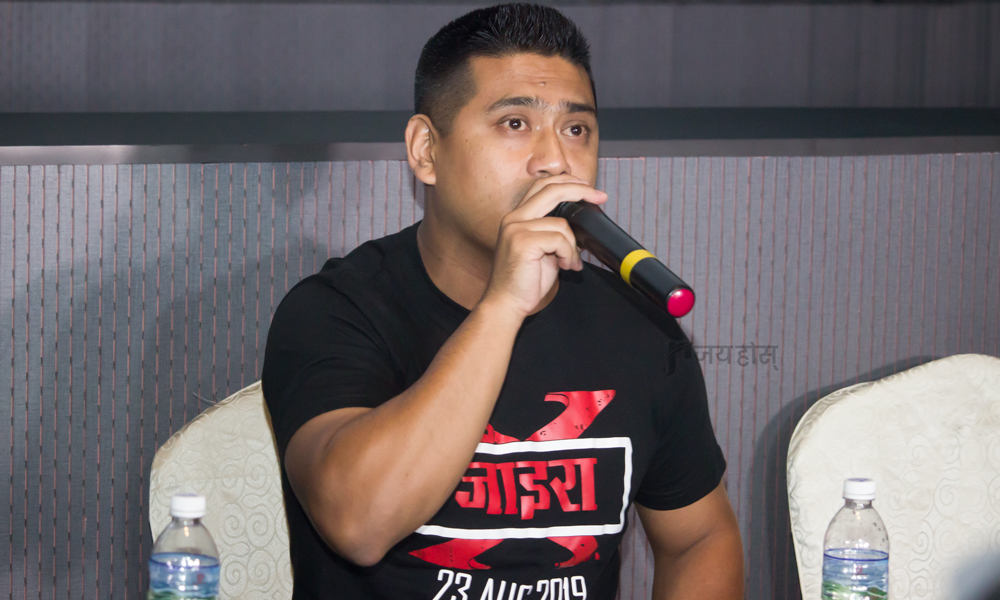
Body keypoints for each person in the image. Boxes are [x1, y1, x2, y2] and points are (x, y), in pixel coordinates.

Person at [262, 4, 744, 599]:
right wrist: (502, 307)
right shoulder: (335, 311)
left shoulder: (638, 327)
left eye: (576, 129)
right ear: (425, 150)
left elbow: (699, 538)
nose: (555, 160)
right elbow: (359, 524)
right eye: (515, 123)